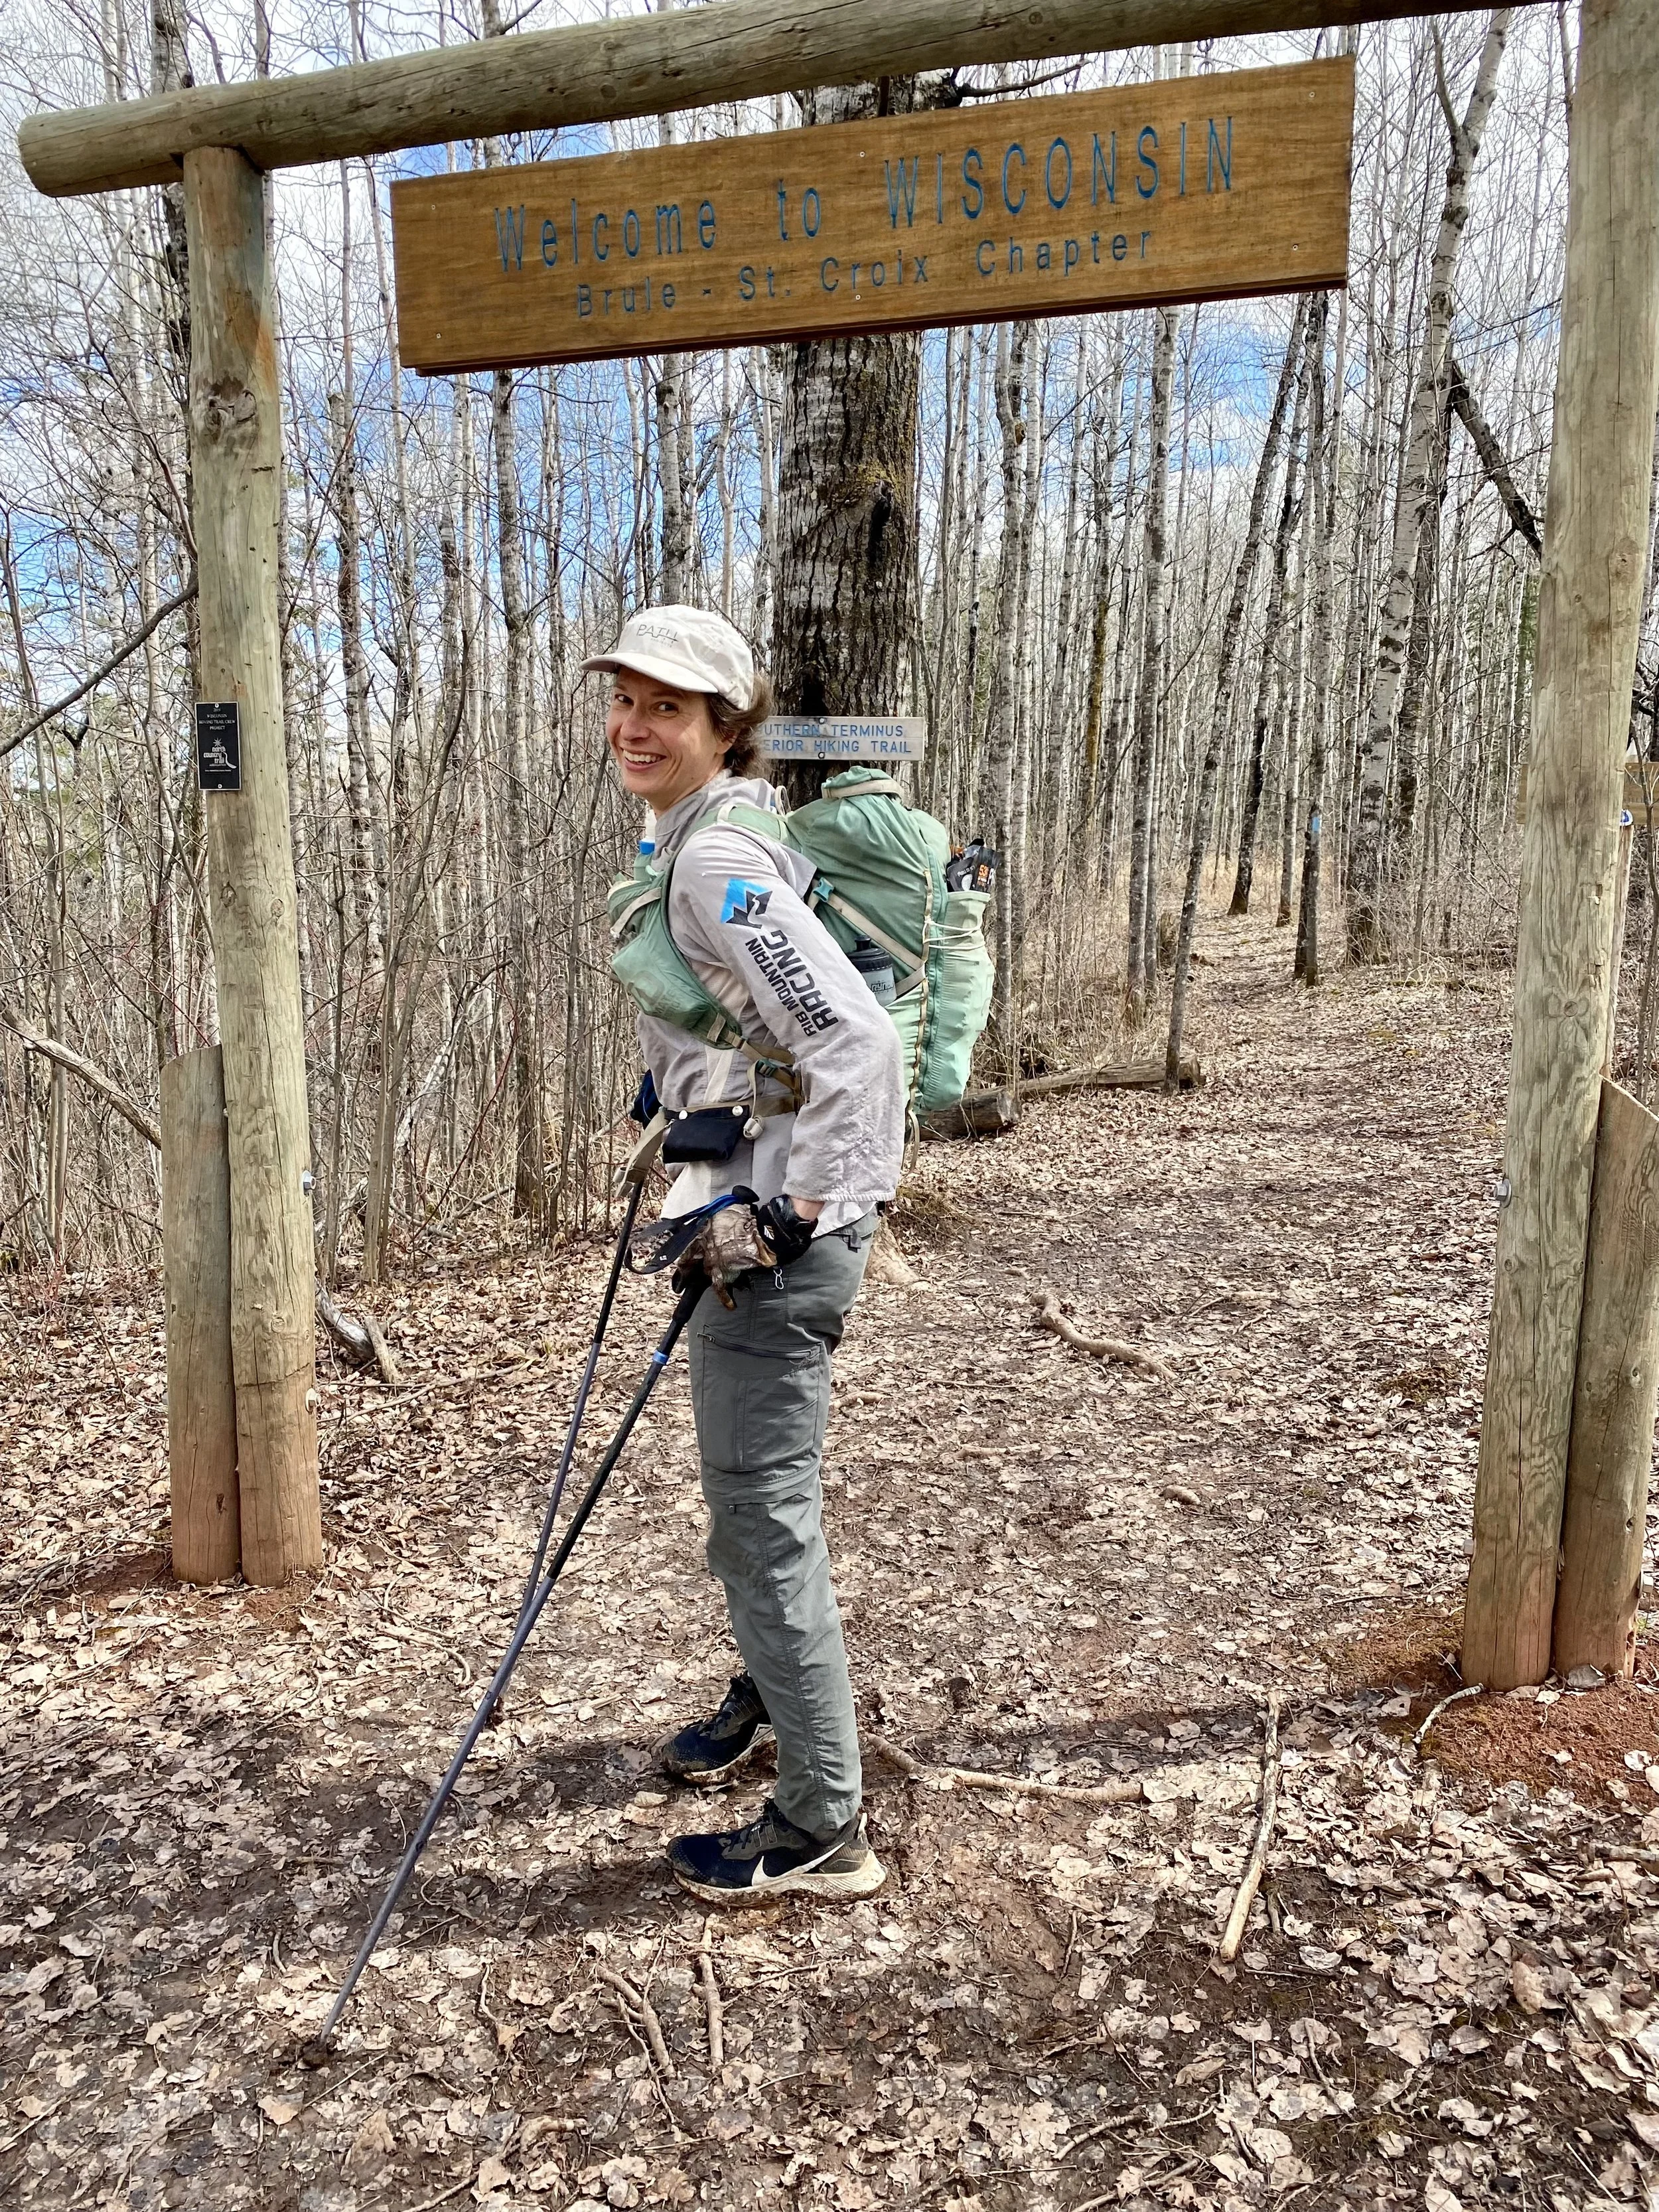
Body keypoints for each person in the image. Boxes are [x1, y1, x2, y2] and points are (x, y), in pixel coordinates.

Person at [587, 605, 905, 1904]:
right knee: (750, 1514)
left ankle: (822, 1825)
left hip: (772, 1239)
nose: (633, 725)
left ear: (725, 727)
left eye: (666, 707)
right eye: (623, 699)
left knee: (761, 1525)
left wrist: (791, 1208)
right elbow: (758, 1024)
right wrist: (687, 1091)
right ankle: (770, 1695)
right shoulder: (701, 835)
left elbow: (855, 1043)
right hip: (737, 1204)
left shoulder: (718, 860)